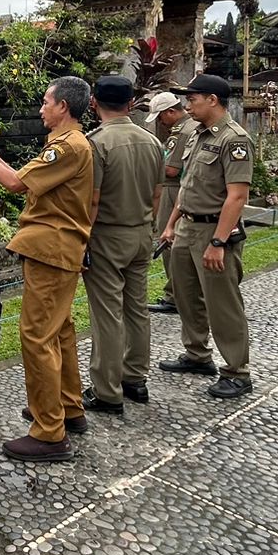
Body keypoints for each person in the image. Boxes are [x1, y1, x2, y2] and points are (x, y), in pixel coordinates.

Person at [0, 76, 94, 462]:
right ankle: (67, 408)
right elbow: (24, 179)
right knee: (60, 330)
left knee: (36, 336)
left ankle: (49, 432)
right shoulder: (69, 144)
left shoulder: (68, 147)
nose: (41, 109)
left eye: (45, 102)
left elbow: (14, 183)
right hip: (57, 249)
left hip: (52, 250)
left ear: (63, 106)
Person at [157, 73, 254, 399]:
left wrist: (218, 242)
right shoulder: (197, 134)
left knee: (222, 304)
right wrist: (171, 224)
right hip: (187, 227)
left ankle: (237, 371)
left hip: (214, 230)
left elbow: (236, 196)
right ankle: (197, 354)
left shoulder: (234, 139)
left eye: (193, 99)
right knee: (186, 297)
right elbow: (187, 186)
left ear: (212, 100)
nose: (188, 106)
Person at [83, 77, 163, 415]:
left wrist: (83, 239)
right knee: (136, 308)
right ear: (131, 103)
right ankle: (135, 377)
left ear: (93, 103)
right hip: (141, 232)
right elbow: (157, 194)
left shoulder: (96, 143)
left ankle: (107, 390)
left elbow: (93, 200)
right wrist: (148, 226)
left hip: (107, 234)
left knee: (107, 313)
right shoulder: (152, 141)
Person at [145, 92, 191, 315]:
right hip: (184, 189)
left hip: (173, 189)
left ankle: (174, 296)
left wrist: (145, 166)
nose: (161, 122)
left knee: (168, 241)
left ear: (170, 112)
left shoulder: (182, 131)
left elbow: (171, 169)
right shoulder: (192, 126)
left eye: (161, 117)